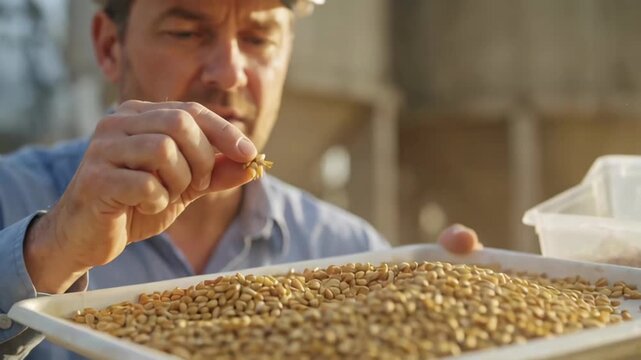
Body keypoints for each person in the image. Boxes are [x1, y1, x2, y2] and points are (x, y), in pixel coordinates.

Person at [0, 0, 482, 358]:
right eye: (187, 33)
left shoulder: (353, 251)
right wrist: (51, 246)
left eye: (258, 39)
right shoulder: (10, 196)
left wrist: (447, 311)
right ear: (109, 46)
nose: (230, 73)